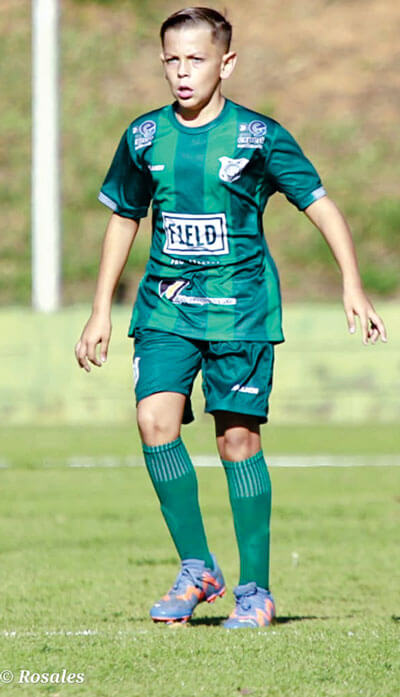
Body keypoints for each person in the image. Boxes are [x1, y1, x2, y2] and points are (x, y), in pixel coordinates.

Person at [74, 7, 387, 629]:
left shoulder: (259, 136)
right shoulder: (142, 137)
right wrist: (99, 308)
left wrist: (353, 283)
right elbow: (123, 217)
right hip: (167, 305)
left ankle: (256, 590)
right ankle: (198, 568)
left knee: (237, 440)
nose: (183, 72)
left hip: (241, 310)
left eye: (196, 59)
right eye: (172, 60)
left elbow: (319, 204)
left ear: (227, 63)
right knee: (152, 419)